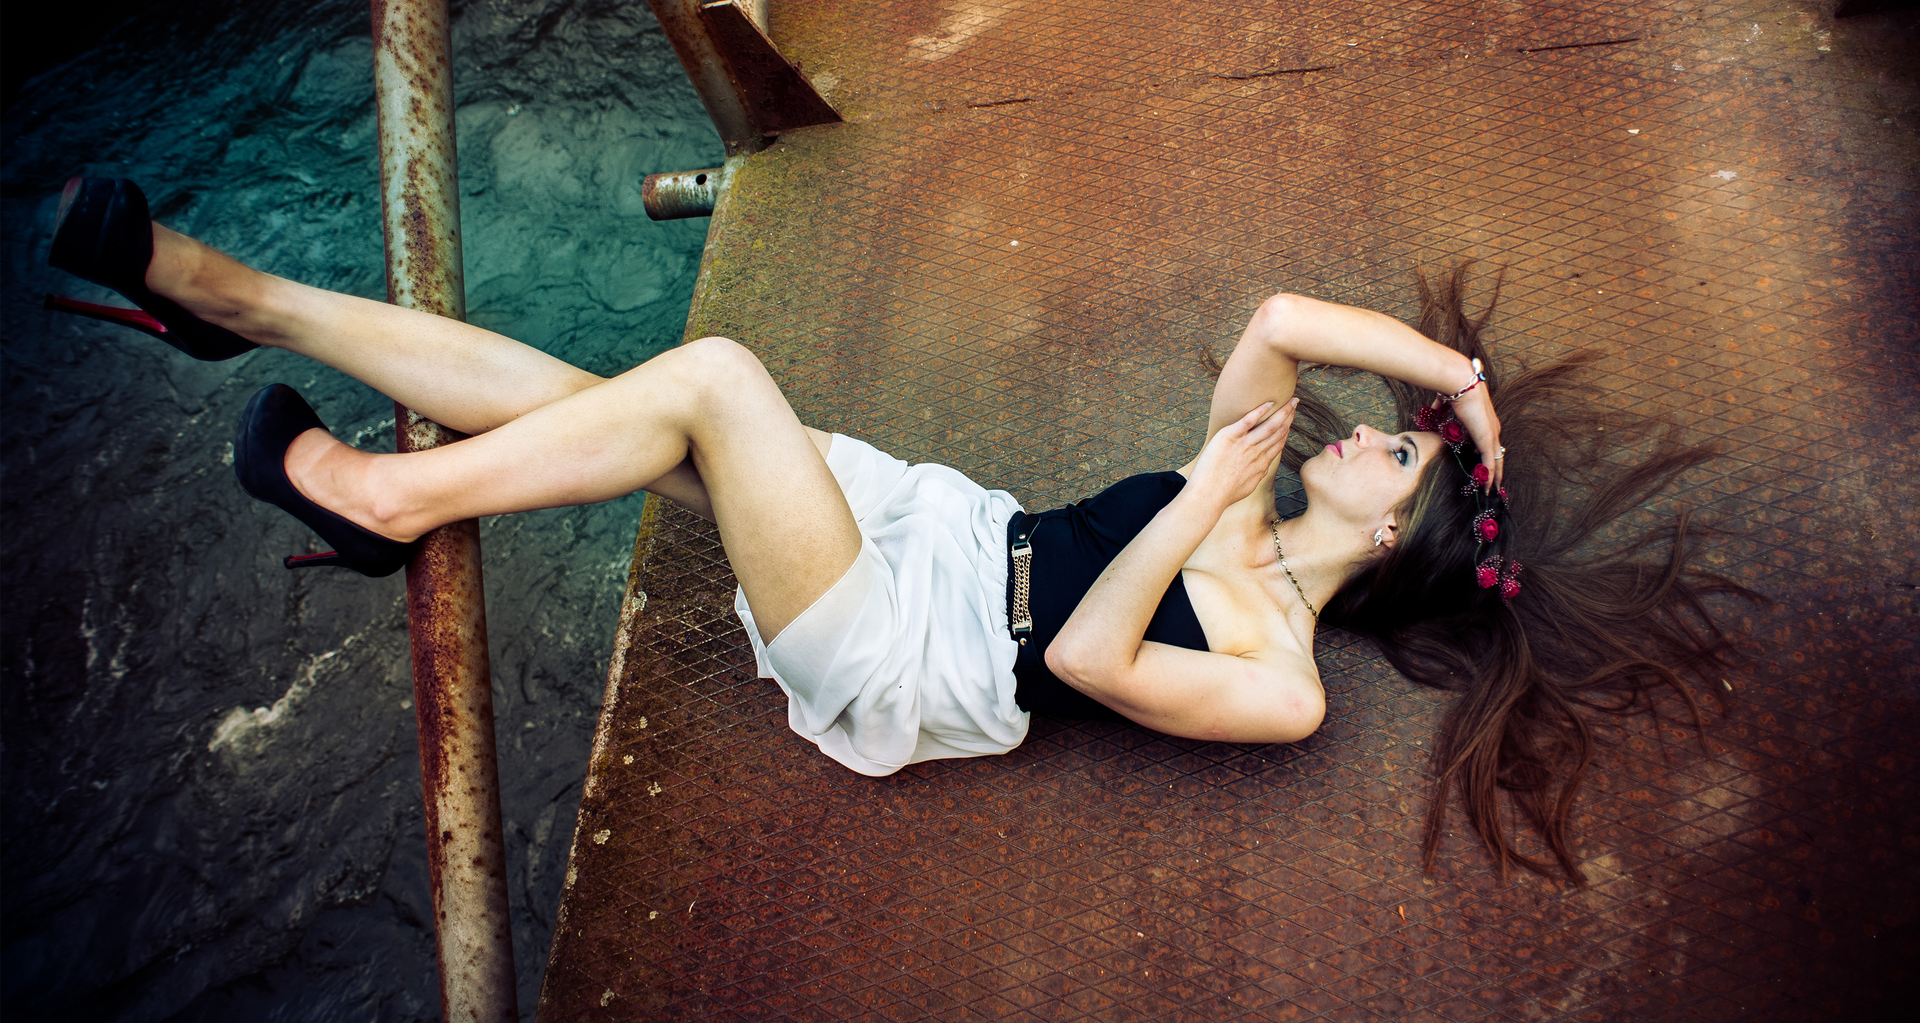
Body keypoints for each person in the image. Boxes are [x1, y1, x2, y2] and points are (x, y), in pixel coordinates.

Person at [45, 176, 1742, 885]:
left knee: (711, 380)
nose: (1367, 434)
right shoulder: (1253, 462)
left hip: (910, 653)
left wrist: (1199, 501)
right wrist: (1458, 378)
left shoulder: (1284, 675)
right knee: (612, 398)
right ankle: (227, 297)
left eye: (1401, 456)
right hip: (935, 527)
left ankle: (379, 500)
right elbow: (1285, 316)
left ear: (1397, 536)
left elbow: (1091, 656)